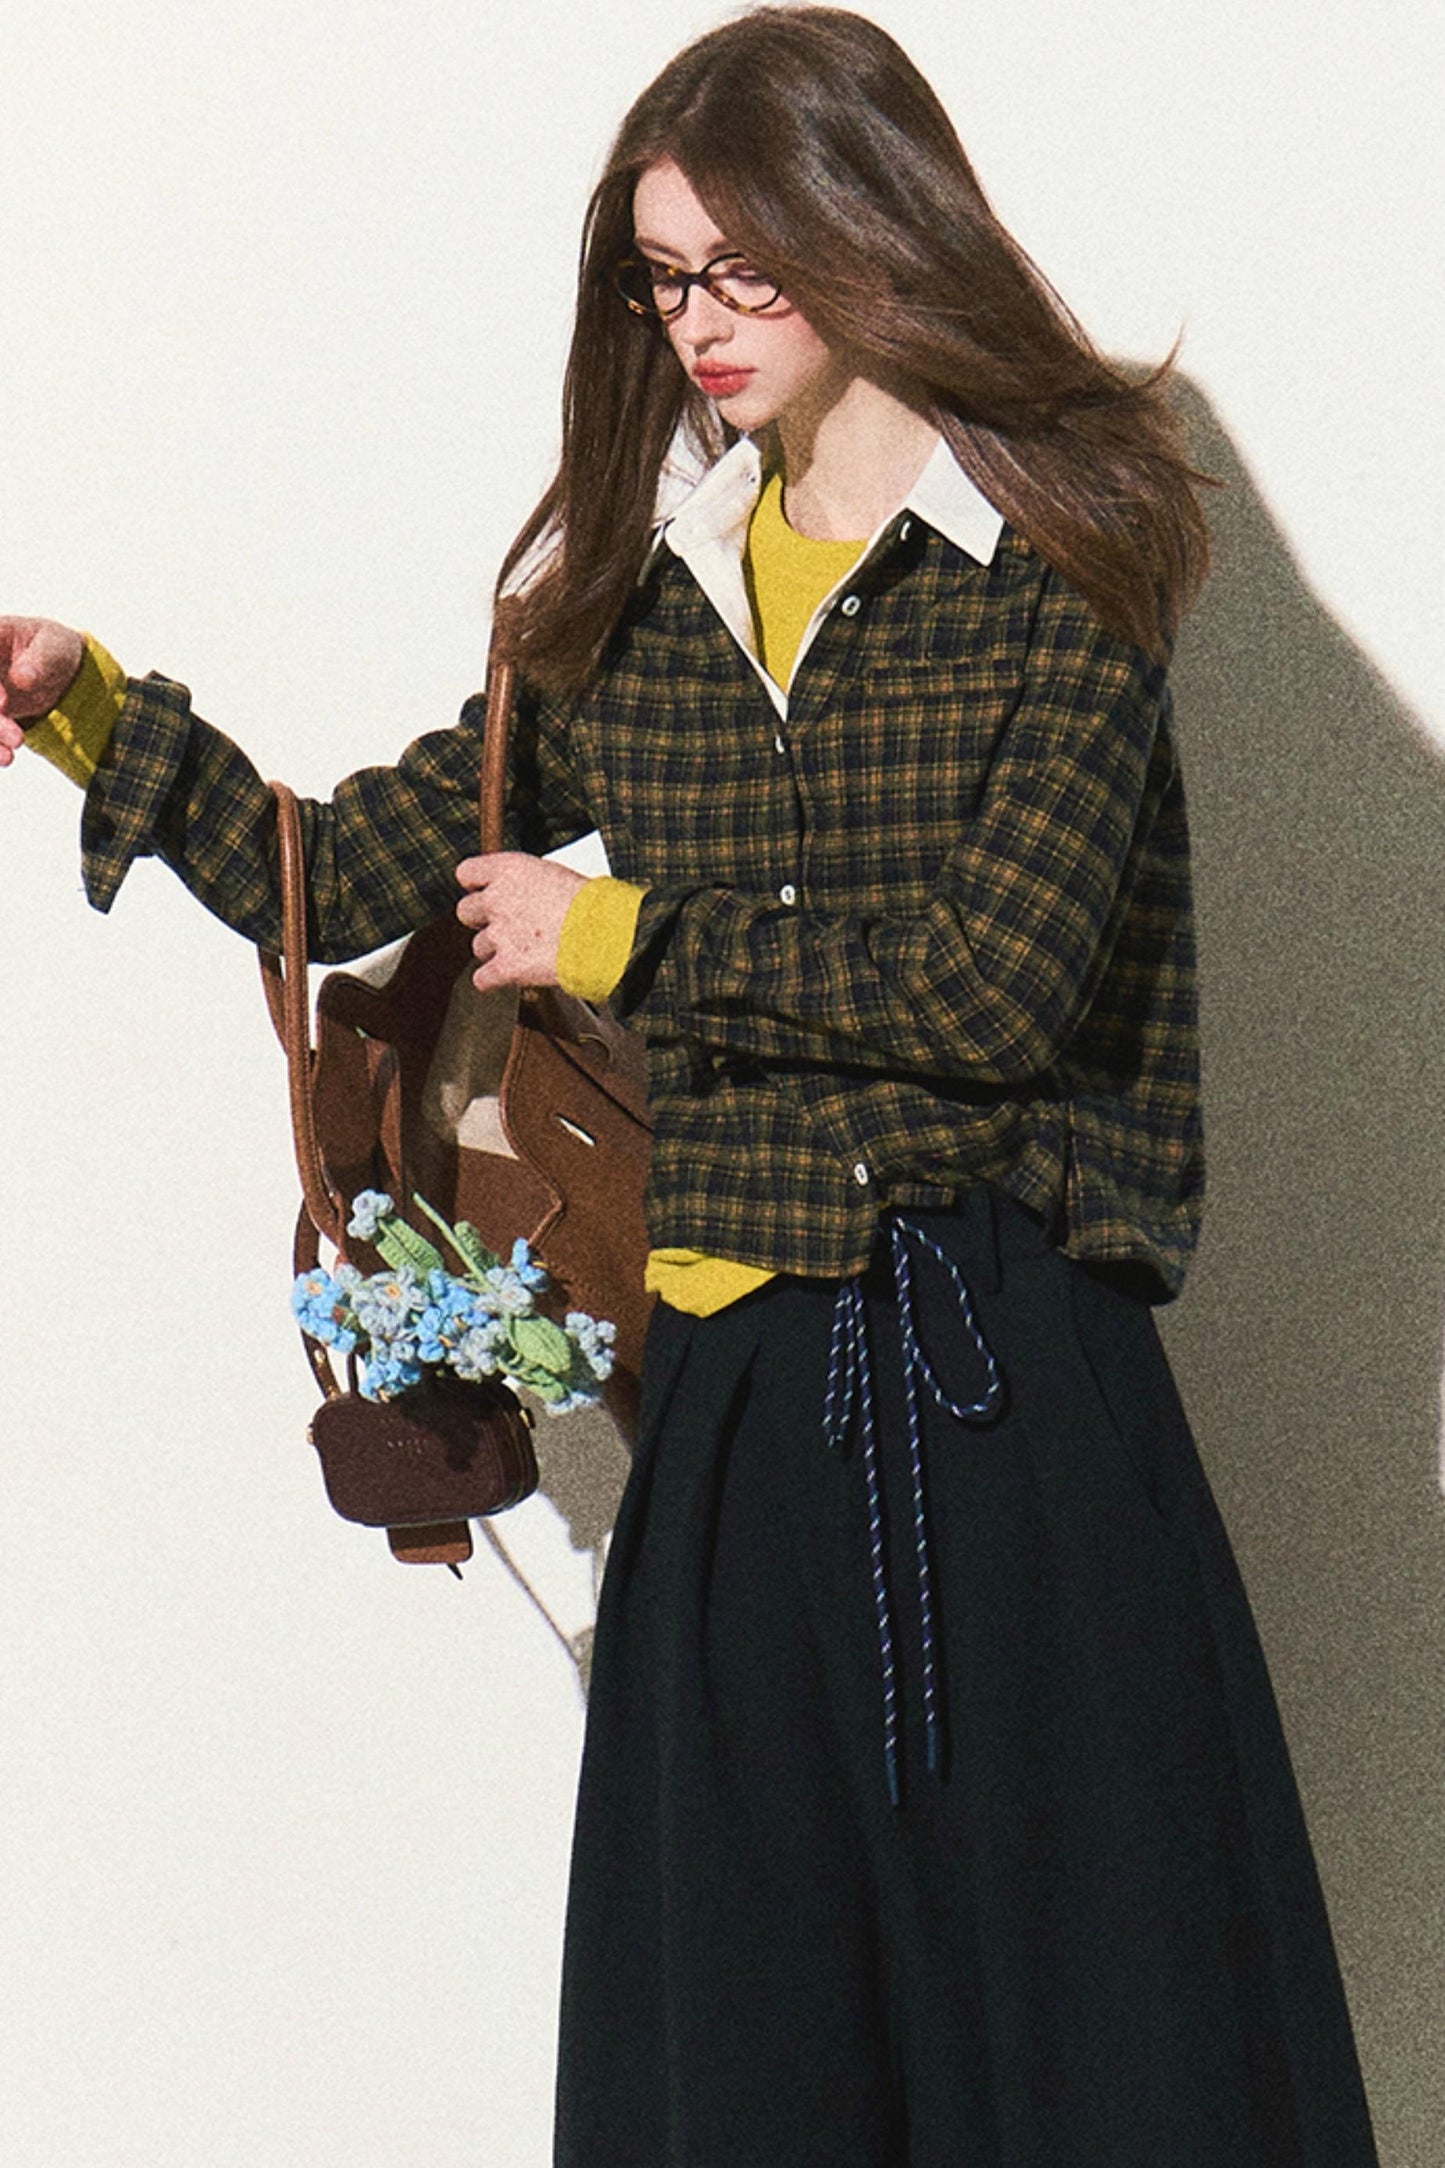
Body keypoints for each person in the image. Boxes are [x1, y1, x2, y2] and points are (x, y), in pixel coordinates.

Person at [0, 8, 1379, 2163]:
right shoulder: (641, 612)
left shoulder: (1066, 565)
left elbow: (994, 993)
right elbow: (345, 870)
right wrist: (98, 715)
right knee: (748, 2052)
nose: (700, 324)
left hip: (1006, 1382)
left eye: (746, 268)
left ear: (872, 230)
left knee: (1096, 2040)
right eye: (663, 279)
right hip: (735, 1398)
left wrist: (621, 937)